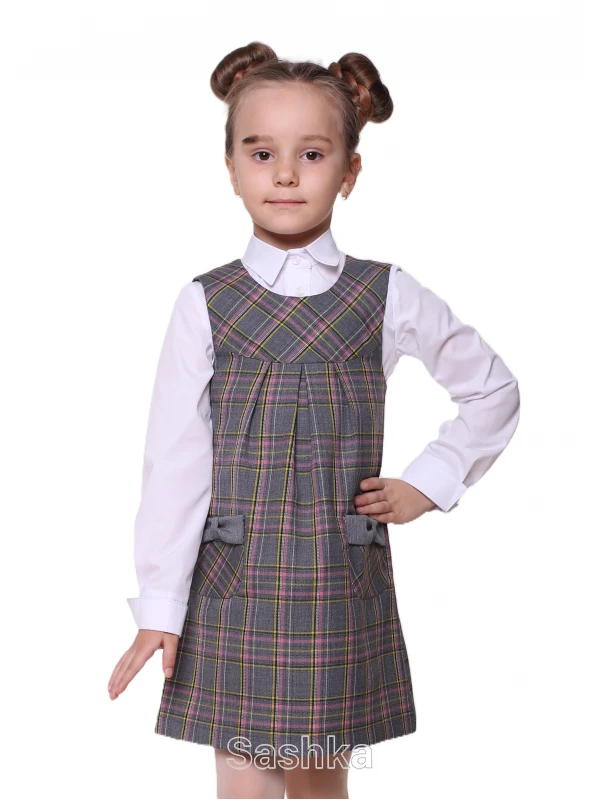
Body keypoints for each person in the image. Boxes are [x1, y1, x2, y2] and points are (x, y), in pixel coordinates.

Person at [108, 42, 520, 799]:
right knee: (243, 781)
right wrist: (160, 604)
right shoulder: (204, 303)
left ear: (350, 171)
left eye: (313, 154)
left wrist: (428, 483)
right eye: (262, 152)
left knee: (322, 782)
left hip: (337, 583)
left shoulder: (385, 294)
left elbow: (493, 390)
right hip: (234, 585)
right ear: (231, 167)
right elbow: (173, 463)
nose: (286, 175)